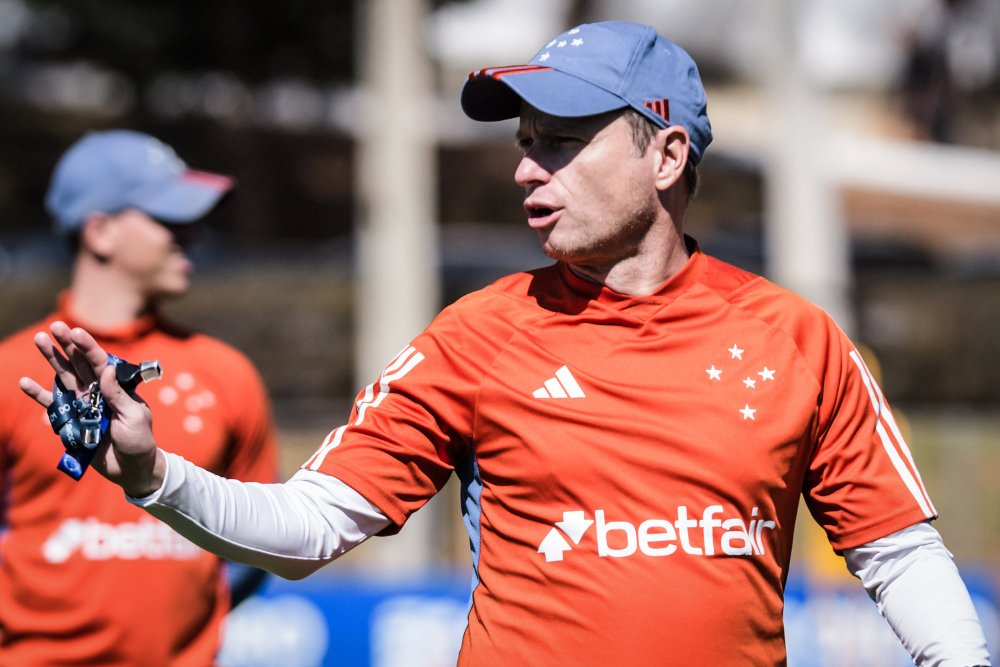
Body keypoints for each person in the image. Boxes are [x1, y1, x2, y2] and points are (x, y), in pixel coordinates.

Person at [18, 23, 991, 666]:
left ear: (665, 154)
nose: (529, 168)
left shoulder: (796, 336)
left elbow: (897, 556)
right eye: (526, 140)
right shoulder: (476, 334)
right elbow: (309, 528)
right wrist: (151, 474)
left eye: (563, 139)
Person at [1, 130, 279, 666]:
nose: (193, 235)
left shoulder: (227, 373)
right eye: (167, 220)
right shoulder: (12, 371)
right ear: (100, 232)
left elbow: (258, 540)